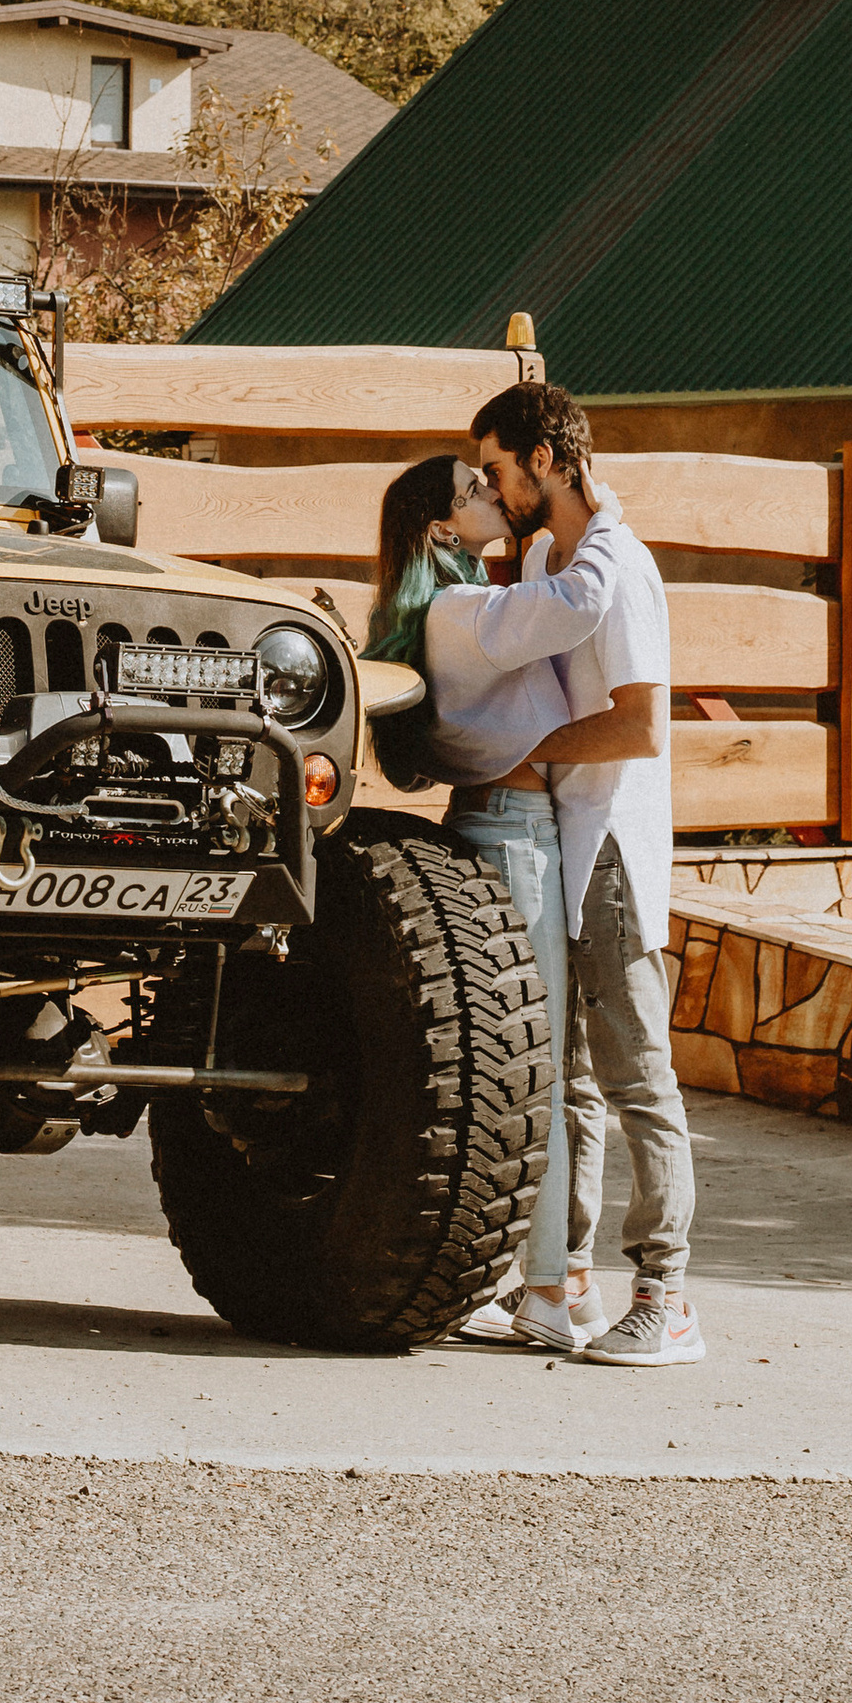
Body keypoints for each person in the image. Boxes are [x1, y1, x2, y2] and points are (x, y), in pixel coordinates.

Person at [469, 378, 702, 1368]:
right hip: (555, 844)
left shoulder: (622, 569)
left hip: (610, 847)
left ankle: (669, 1297)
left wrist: (534, 746)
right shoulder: (540, 554)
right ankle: (560, 1284)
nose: (488, 489)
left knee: (635, 1074)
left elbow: (642, 726)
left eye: (495, 471)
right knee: (563, 1081)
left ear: (546, 463)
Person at [365, 449, 613, 1352]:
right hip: (515, 835)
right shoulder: (465, 611)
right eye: (475, 492)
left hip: (501, 825)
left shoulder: (448, 607)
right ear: (441, 529)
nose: (492, 497)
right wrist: (595, 515)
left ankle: (542, 1278)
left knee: (523, 1067)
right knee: (535, 1066)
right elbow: (581, 601)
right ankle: (547, 1289)